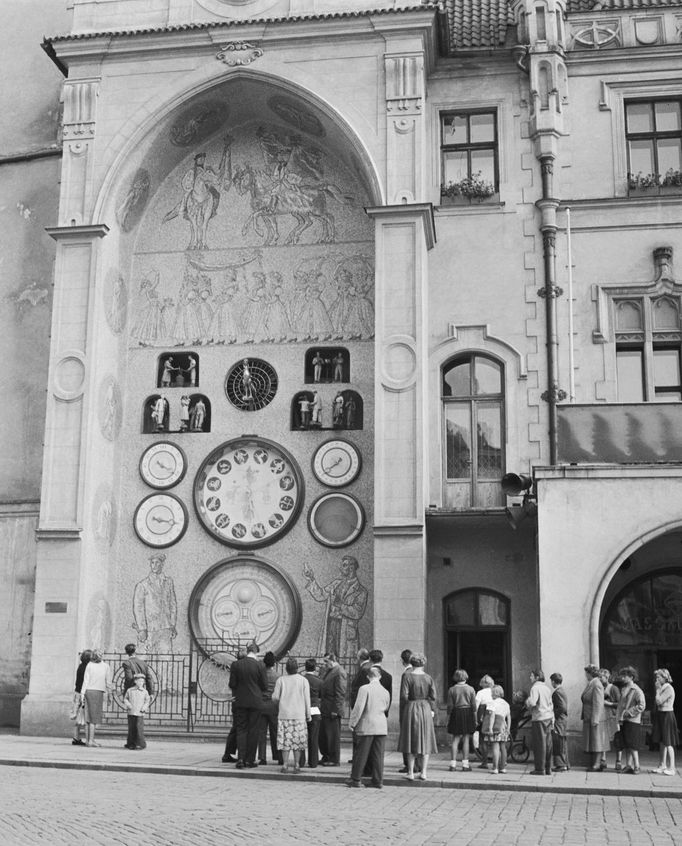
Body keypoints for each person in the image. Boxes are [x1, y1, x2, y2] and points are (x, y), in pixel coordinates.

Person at [302, 555, 368, 658]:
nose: (340, 568)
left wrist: (341, 606)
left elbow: (357, 612)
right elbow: (321, 595)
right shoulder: (336, 583)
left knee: (345, 660)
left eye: (344, 565)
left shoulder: (361, 591)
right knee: (329, 656)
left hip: (345, 629)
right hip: (331, 625)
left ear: (351, 567)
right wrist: (311, 579)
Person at [347, 666, 390, 788]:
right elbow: (386, 707)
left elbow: (359, 708)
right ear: (380, 677)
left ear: (368, 677)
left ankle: (356, 779)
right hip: (381, 725)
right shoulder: (385, 691)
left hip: (367, 724)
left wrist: (352, 723)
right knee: (378, 755)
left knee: (361, 753)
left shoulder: (364, 689)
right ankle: (378, 780)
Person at [398, 652, 438, 781]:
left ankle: (410, 771)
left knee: (411, 740)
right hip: (425, 708)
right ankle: (424, 772)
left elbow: (404, 695)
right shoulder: (428, 678)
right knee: (425, 739)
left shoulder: (407, 677)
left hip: (411, 707)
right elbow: (433, 696)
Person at [228, 641, 268, 769]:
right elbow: (265, 686)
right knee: (253, 730)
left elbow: (232, 684)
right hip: (256, 702)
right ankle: (250, 760)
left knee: (241, 729)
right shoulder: (260, 666)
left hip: (240, 701)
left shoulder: (236, 665)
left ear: (247, 650)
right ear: (256, 652)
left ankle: (240, 758)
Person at [133, 553, 178, 656]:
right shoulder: (143, 585)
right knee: (146, 658)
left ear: (162, 564)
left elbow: (172, 604)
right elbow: (138, 608)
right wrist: (142, 628)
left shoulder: (168, 582)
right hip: (150, 628)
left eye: (157, 563)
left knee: (166, 659)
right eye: (152, 563)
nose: (154, 565)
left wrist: (172, 625)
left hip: (165, 627)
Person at [273, 657, 311, 774]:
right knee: (297, 742)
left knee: (285, 741)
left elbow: (275, 697)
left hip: (285, 714)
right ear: (297, 668)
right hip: (299, 715)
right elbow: (307, 699)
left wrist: (279, 703)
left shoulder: (281, 680)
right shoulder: (303, 680)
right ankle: (297, 765)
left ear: (286, 668)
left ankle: (284, 765)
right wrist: (308, 714)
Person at [616, 665, 646, 775]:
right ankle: (628, 765)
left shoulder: (636, 690)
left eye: (625, 676)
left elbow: (642, 705)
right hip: (624, 720)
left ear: (631, 677)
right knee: (627, 744)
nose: (622, 678)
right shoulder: (624, 689)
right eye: (622, 676)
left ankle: (637, 766)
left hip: (633, 721)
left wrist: (629, 712)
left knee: (632, 745)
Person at [80, 649, 113, 748]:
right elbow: (108, 682)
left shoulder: (89, 665)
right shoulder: (106, 666)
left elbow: (85, 681)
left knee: (88, 718)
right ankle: (91, 741)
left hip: (88, 691)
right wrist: (110, 694)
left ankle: (87, 740)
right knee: (94, 718)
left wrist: (82, 694)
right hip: (98, 692)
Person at [446, 669, 477, 772]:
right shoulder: (471, 689)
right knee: (466, 739)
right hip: (467, 712)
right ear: (466, 677)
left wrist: (448, 718)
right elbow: (473, 706)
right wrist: (475, 718)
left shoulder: (451, 689)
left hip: (456, 712)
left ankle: (453, 764)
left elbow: (449, 706)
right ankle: (465, 764)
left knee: (455, 739)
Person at [319, 652, 347, 766]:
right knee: (324, 735)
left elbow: (340, 693)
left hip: (332, 708)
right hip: (325, 707)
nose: (324, 664)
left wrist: (336, 710)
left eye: (326, 661)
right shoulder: (330, 671)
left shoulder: (339, 672)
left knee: (332, 736)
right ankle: (326, 756)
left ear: (333, 660)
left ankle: (334, 759)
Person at [650, 668, 679, 776]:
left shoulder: (668, 688)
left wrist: (657, 690)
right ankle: (662, 765)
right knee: (662, 741)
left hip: (667, 715)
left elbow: (659, 701)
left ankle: (672, 767)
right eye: (656, 677)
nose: (657, 679)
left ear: (665, 678)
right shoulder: (662, 688)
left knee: (668, 741)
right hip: (661, 714)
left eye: (659, 677)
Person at [581, 663, 608, 771]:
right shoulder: (592, 683)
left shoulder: (596, 684)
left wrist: (596, 718)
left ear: (589, 673)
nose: (585, 675)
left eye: (586, 673)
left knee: (597, 741)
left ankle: (597, 764)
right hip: (590, 716)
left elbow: (598, 703)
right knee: (593, 741)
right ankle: (596, 763)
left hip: (595, 717)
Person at [526, 669, 554, 775]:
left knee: (539, 744)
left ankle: (540, 768)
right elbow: (551, 704)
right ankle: (548, 767)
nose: (530, 677)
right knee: (548, 744)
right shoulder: (547, 688)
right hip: (548, 717)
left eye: (532, 676)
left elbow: (532, 702)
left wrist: (527, 701)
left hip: (539, 718)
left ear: (537, 677)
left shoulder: (535, 688)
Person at [258, 651, 281, 766]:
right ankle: (276, 754)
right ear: (274, 663)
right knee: (275, 731)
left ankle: (262, 757)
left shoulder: (260, 675)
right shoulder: (277, 676)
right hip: (273, 706)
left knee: (261, 732)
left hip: (261, 704)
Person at [482, 685, 511, 774]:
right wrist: (508, 728)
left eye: (491, 692)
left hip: (495, 727)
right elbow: (509, 717)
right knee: (503, 747)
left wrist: (490, 728)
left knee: (495, 747)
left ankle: (495, 767)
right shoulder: (506, 703)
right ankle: (502, 767)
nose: (490, 694)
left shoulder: (492, 703)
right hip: (504, 727)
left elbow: (492, 716)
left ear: (495, 693)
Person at [302, 658, 323, 768]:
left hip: (302, 710)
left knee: (301, 736)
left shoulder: (302, 679)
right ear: (314, 668)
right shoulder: (319, 681)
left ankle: (300, 761)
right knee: (313, 737)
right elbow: (321, 696)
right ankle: (313, 761)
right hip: (314, 709)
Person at [600, 667, 622, 771]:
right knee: (604, 739)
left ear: (607, 677)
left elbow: (620, 704)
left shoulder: (613, 688)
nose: (600, 679)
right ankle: (603, 760)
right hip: (603, 717)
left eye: (601, 677)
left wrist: (608, 703)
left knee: (617, 739)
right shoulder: (599, 687)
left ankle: (618, 761)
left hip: (613, 717)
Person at [123, 672, 151, 750]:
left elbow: (147, 701)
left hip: (140, 713)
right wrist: (128, 704)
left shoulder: (145, 692)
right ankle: (131, 743)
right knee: (131, 728)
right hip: (131, 712)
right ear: (135, 681)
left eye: (142, 681)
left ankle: (140, 743)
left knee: (139, 728)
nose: (141, 683)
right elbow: (125, 698)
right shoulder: (130, 690)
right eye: (139, 681)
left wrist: (144, 708)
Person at [398, 648, 414, 774]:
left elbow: (404, 696)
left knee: (406, 737)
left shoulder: (407, 674)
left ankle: (408, 764)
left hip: (407, 709)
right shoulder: (414, 672)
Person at [70, 649, 92, 746]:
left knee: (78, 715)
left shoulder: (80, 666)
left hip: (77, 692)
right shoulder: (86, 668)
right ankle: (78, 737)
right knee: (81, 716)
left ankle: (76, 737)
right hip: (82, 693)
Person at [549, 672, 569, 771]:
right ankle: (565, 763)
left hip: (559, 720)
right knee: (562, 742)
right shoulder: (562, 691)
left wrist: (554, 714)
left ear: (553, 681)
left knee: (558, 742)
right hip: (562, 720)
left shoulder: (557, 692)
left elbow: (562, 707)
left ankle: (561, 764)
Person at [474, 674, 495, 768]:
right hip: (494, 716)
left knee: (483, 741)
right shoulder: (494, 692)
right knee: (495, 740)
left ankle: (485, 762)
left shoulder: (480, 693)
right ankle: (498, 761)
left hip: (483, 717)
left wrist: (475, 719)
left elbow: (476, 707)